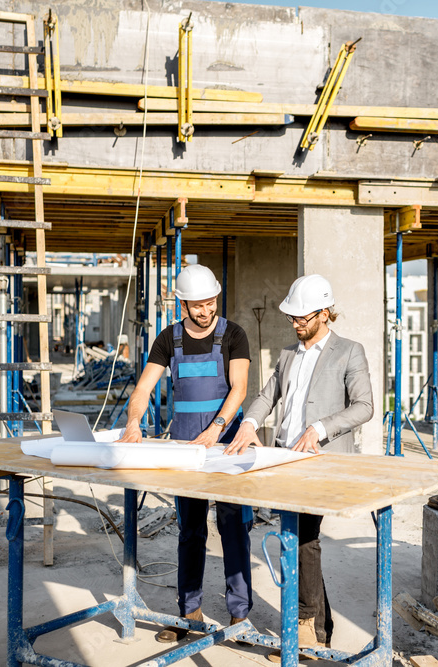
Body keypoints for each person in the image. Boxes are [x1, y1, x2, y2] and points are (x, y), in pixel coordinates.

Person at [224, 274, 374, 657]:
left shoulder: (349, 351)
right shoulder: (289, 354)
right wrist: (249, 422)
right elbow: (266, 394)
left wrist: (320, 428)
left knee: (303, 539)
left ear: (325, 313)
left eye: (302, 317)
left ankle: (305, 627)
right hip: (284, 459)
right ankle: (321, 629)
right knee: (298, 538)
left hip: (321, 463)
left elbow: (364, 406)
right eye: (292, 317)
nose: (295, 323)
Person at [118, 264, 253, 641]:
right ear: (183, 304)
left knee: (233, 528)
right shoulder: (169, 339)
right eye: (197, 305)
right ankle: (188, 613)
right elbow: (144, 389)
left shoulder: (234, 335)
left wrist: (216, 429)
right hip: (185, 446)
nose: (205, 311)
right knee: (190, 531)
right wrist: (133, 422)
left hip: (226, 445)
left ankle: (240, 616)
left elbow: (239, 389)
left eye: (210, 303)